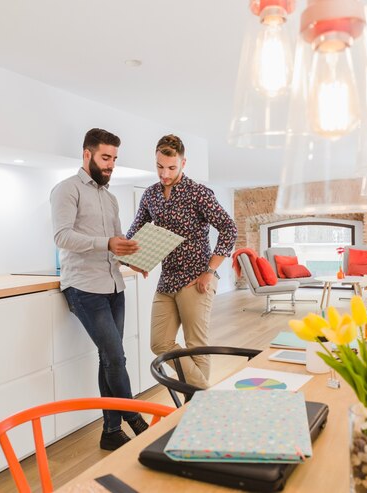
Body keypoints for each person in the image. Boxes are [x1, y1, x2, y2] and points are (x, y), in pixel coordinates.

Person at [50, 128, 148, 451]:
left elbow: (116, 244)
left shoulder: (110, 198)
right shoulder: (66, 190)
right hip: (83, 287)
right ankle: (135, 419)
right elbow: (62, 236)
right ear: (87, 154)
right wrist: (105, 242)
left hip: (113, 286)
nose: (110, 165)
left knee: (109, 358)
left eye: (114, 159)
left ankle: (110, 431)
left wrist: (136, 259)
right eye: (106, 158)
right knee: (116, 356)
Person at [126, 134, 237, 389]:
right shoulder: (150, 195)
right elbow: (135, 233)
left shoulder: (198, 193)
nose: (164, 174)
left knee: (196, 345)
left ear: (183, 163)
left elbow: (229, 229)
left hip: (196, 279)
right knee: (159, 343)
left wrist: (210, 271)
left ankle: (194, 401)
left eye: (171, 168)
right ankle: (205, 394)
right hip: (167, 280)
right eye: (159, 167)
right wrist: (135, 259)